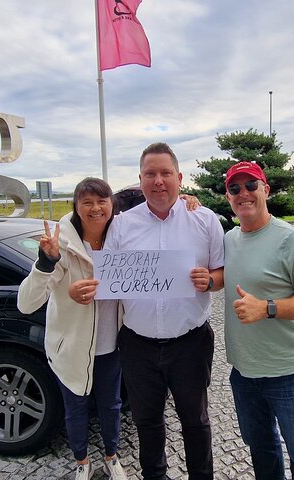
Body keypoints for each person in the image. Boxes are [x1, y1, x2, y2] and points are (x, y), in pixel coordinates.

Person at [96, 142, 225, 480]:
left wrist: (210, 281)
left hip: (191, 343)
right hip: (138, 345)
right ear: (140, 179)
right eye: (150, 174)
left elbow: (222, 271)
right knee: (147, 422)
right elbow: (107, 277)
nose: (158, 181)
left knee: (195, 421)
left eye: (166, 173)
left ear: (179, 178)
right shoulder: (122, 225)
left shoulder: (204, 220)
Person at [222, 161, 294, 480]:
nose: (243, 193)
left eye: (251, 185)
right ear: (228, 197)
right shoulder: (229, 239)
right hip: (244, 371)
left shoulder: (292, 240)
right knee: (262, 452)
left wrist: (267, 308)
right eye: (235, 188)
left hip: (288, 372)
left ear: (266, 190)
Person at [17, 178, 128, 480]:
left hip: (111, 345)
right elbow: (26, 303)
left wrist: (187, 201)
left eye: (102, 201)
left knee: (111, 406)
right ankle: (82, 462)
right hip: (72, 346)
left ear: (112, 205)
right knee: (75, 407)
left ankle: (111, 457)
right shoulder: (61, 246)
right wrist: (46, 263)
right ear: (76, 207)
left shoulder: (122, 238)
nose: (95, 208)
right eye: (87, 202)